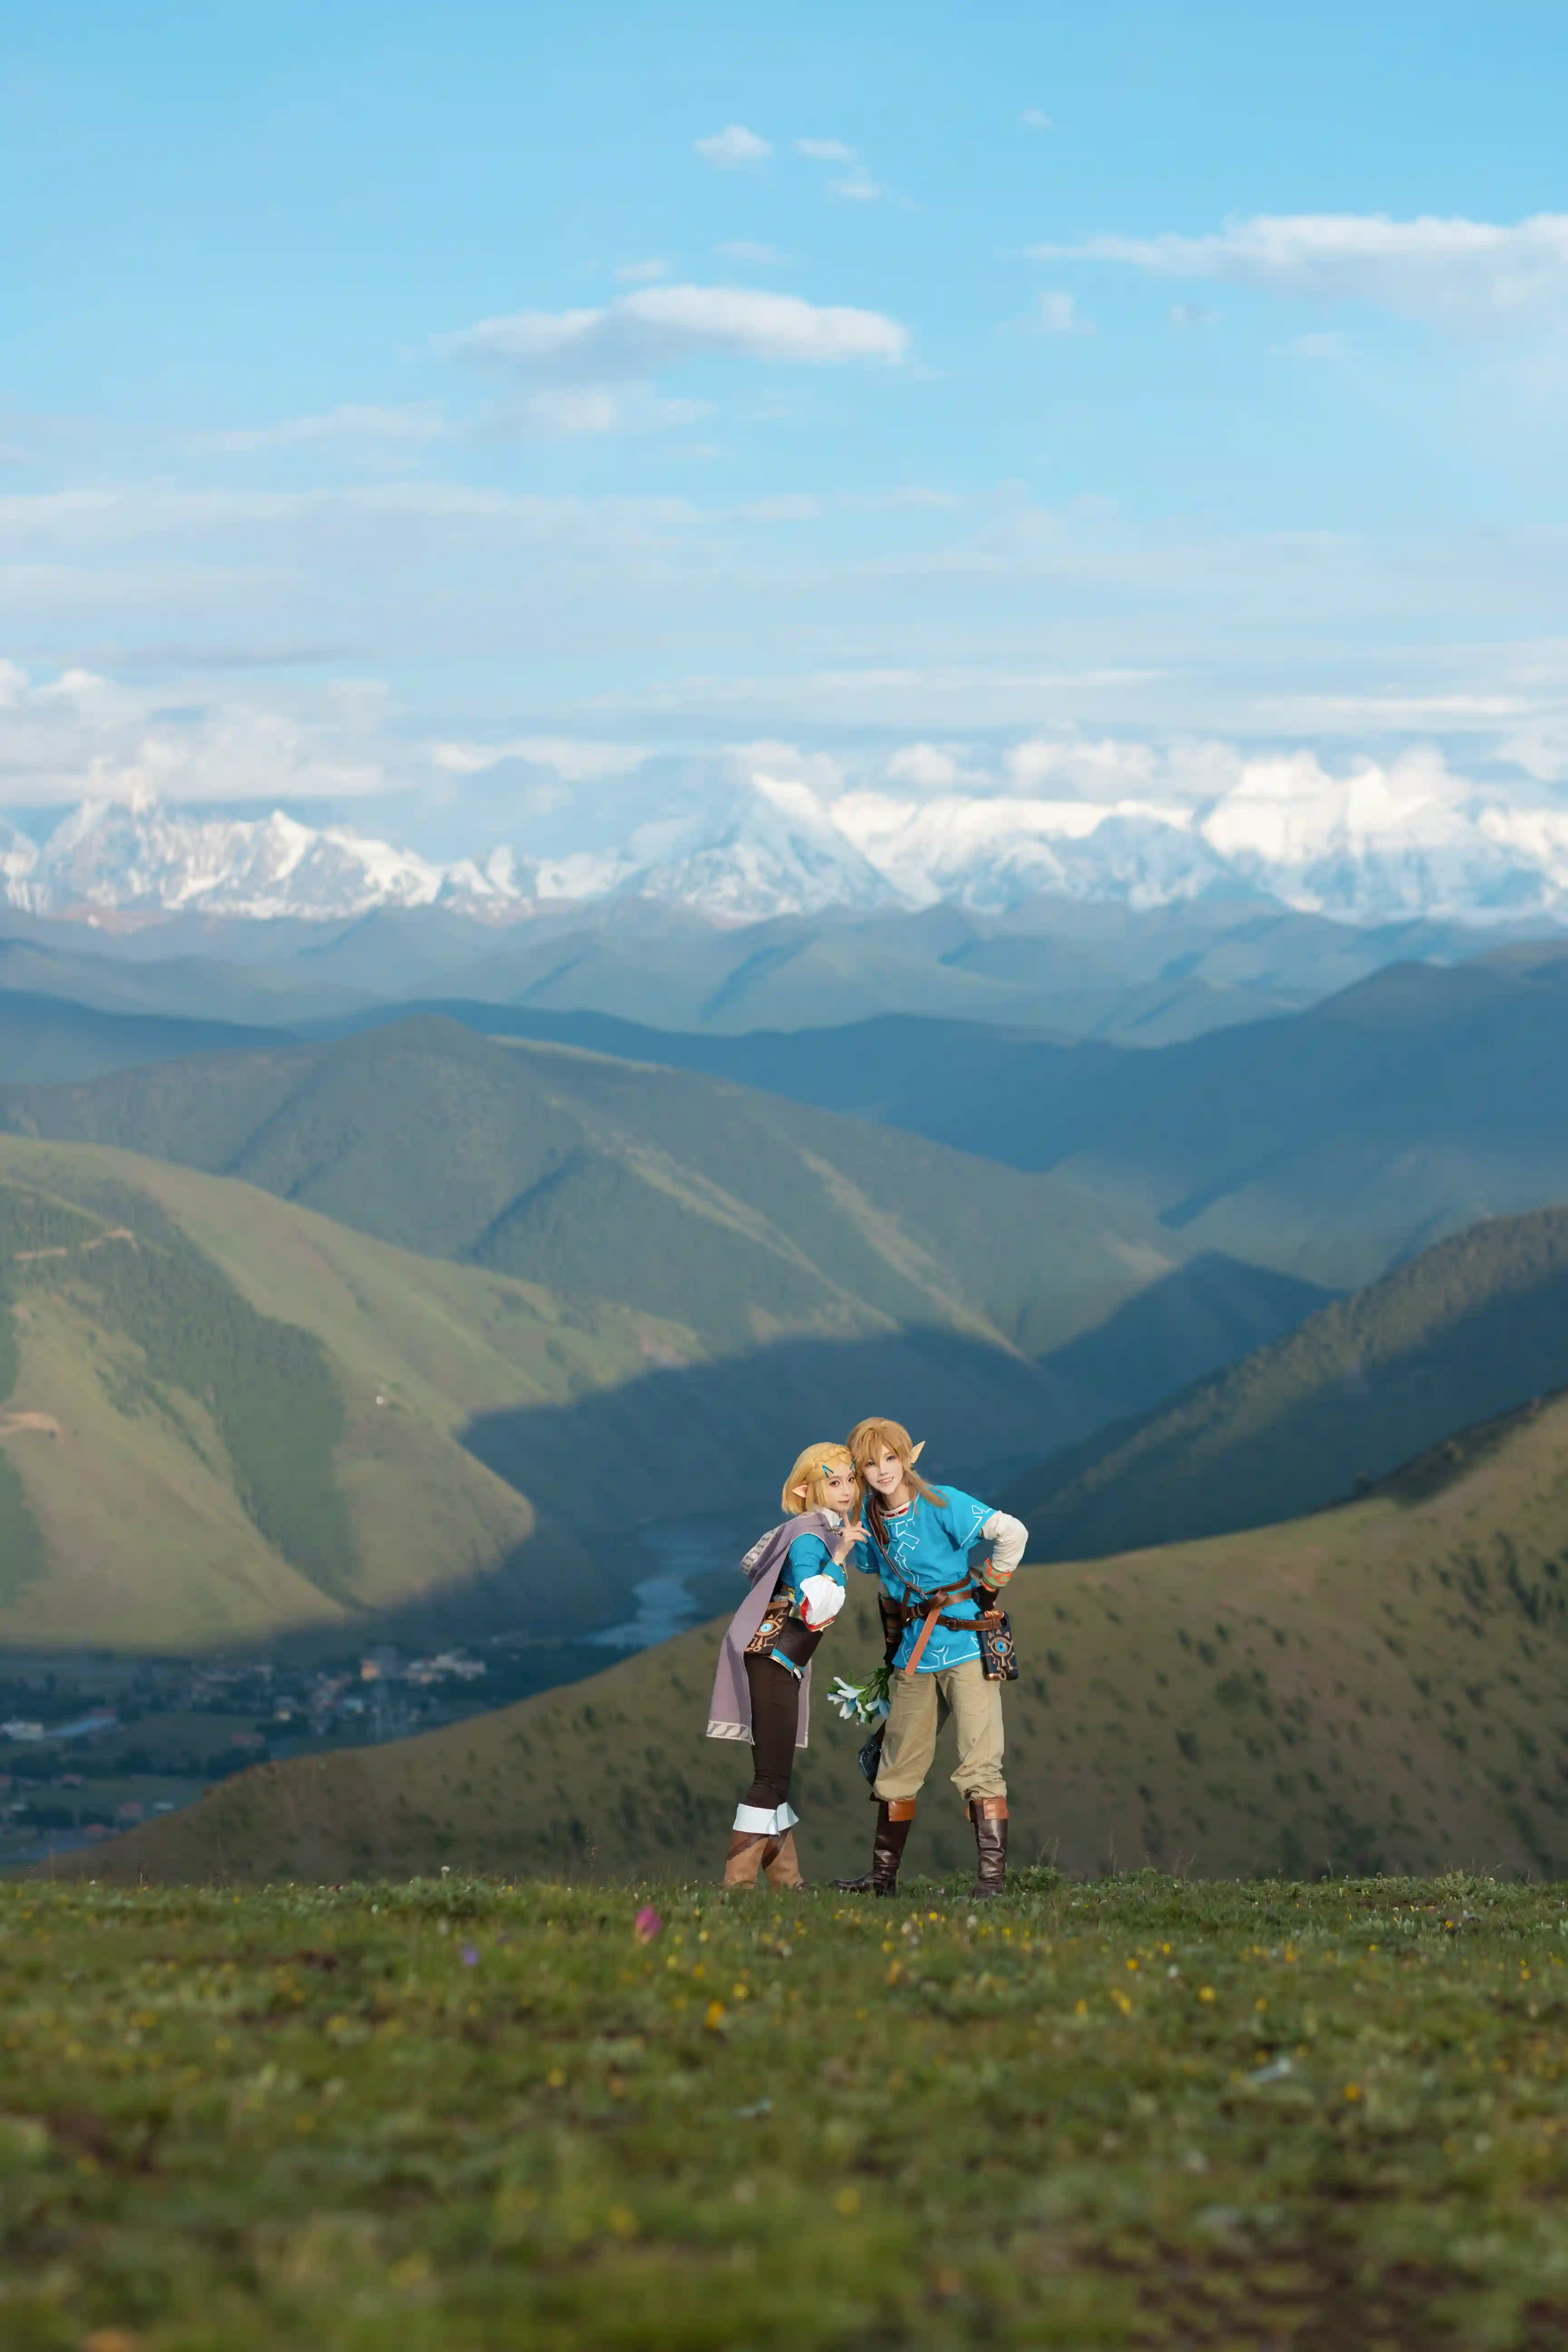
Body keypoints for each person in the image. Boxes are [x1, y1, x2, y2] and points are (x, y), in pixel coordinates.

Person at [835, 1416, 1028, 1902]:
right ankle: (882, 1880)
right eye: (871, 1463)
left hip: (965, 1644)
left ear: (905, 1458)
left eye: (890, 1458)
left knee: (979, 1759)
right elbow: (884, 1585)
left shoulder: (941, 1501)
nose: (883, 1471)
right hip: (913, 1654)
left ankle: (990, 1883)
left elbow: (1013, 1532)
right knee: (897, 1763)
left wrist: (990, 1586)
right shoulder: (870, 1515)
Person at [705, 1443, 863, 1890]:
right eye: (834, 1482)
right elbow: (814, 1604)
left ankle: (789, 1884)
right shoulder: (811, 1537)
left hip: (777, 1660)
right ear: (805, 1487)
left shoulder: (816, 1531)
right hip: (775, 1659)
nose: (846, 1489)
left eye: (850, 1480)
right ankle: (738, 1886)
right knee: (771, 1778)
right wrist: (838, 1559)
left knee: (774, 1776)